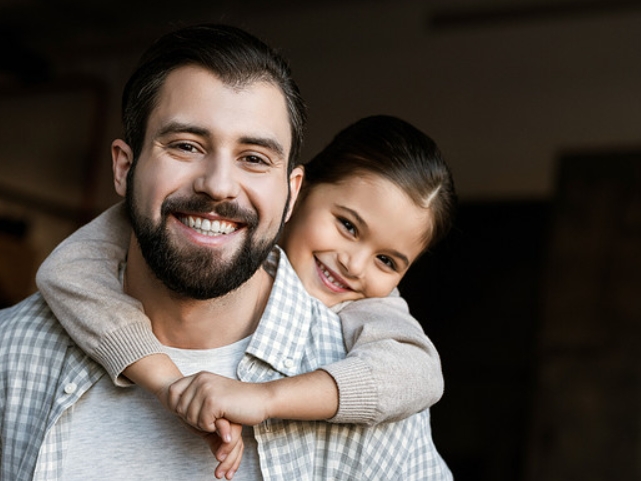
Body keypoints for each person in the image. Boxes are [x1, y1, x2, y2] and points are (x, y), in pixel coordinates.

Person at [0, 23, 453, 481]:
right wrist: (167, 381)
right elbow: (64, 269)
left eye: (254, 157)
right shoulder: (14, 351)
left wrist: (268, 397)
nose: (217, 185)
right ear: (123, 167)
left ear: (291, 193)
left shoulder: (370, 382)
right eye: (185, 146)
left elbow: (417, 370)